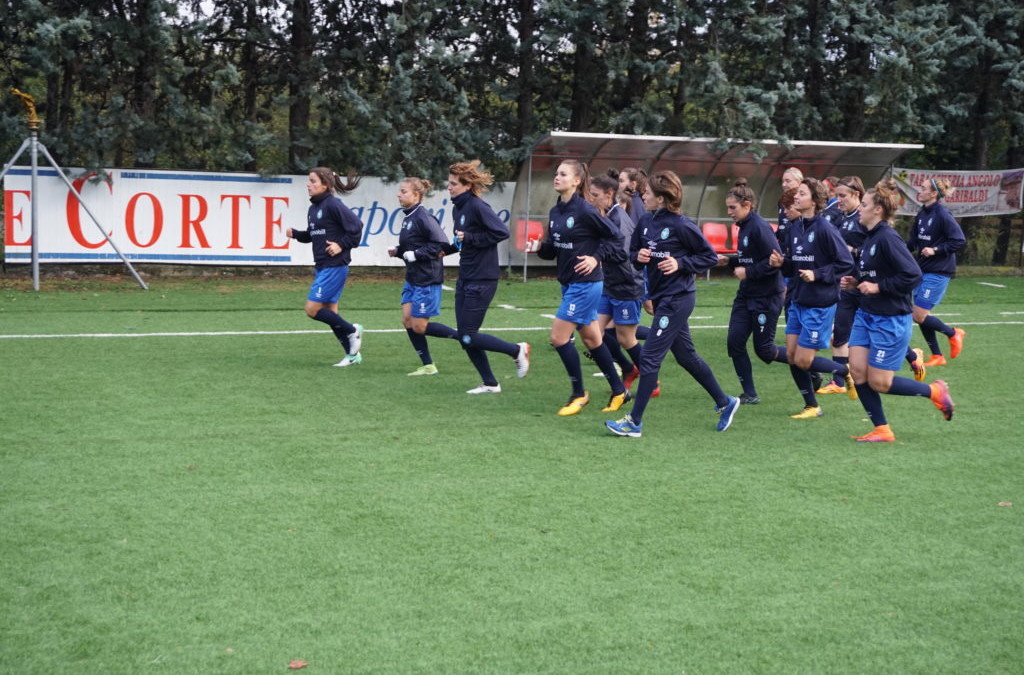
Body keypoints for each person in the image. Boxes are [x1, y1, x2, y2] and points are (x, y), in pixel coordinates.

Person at [606, 170, 740, 437]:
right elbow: (632, 255)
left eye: (648, 193)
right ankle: (726, 402)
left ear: (662, 198)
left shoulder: (681, 225)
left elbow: (709, 257)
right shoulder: (645, 221)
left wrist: (681, 263)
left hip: (678, 299)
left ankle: (634, 422)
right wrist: (639, 256)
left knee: (651, 357)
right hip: (661, 297)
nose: (643, 195)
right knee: (686, 357)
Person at [844, 178, 954, 442]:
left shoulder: (888, 238)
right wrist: (857, 282)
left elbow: (912, 275)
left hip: (890, 320)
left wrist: (879, 287)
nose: (860, 208)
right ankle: (882, 429)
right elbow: (873, 274)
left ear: (878, 210)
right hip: (866, 314)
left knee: (880, 382)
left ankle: (934, 391)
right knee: (857, 371)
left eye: (865, 204)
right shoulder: (870, 237)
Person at [536, 161, 629, 415]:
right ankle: (620, 390)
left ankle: (579, 394)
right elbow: (553, 250)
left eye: (563, 174)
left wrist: (595, 258)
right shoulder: (556, 211)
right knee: (591, 338)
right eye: (556, 173)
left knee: (558, 337)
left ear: (577, 181)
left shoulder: (586, 210)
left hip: (586, 285)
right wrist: (539, 248)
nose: (557, 177)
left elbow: (617, 239)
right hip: (568, 284)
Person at [769, 177, 856, 418]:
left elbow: (845, 263)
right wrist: (781, 264)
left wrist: (817, 274)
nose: (796, 197)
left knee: (804, 360)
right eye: (797, 194)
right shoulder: (796, 227)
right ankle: (812, 405)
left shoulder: (825, 228)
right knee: (792, 357)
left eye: (802, 194)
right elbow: (794, 267)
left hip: (819, 303)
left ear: (815, 201)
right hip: (797, 300)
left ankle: (843, 371)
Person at [441, 160, 530, 394]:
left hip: (483, 278)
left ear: (466, 185)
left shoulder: (477, 206)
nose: (448, 187)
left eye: (453, 184)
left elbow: (500, 232)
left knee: (468, 336)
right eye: (448, 183)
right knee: (465, 337)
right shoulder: (457, 207)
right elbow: (463, 239)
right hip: (466, 275)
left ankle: (516, 350)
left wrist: (470, 238)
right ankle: (490, 383)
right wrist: (444, 250)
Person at [286, 167, 365, 367]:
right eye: (308, 181)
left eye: (313, 181)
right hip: (322, 265)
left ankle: (351, 331)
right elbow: (312, 235)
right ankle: (352, 355)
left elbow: (357, 226)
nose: (308, 184)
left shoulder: (333, 205)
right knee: (331, 314)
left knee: (312, 309)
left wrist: (341, 245)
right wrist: (295, 234)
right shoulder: (314, 209)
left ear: (325, 185)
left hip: (335, 266)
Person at [721, 180, 786, 405]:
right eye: (728, 208)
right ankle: (749, 393)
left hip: (767, 297)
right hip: (746, 295)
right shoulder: (743, 226)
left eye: (733, 208)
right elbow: (749, 258)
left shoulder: (759, 227)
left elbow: (775, 261)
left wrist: (748, 272)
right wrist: (728, 262)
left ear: (747, 204)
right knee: (734, 342)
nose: (729, 212)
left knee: (765, 350)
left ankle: (806, 368)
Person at [388, 177, 458, 375]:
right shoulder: (409, 216)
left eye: (403, 191)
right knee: (407, 320)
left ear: (416, 195)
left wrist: (416, 254)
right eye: (399, 191)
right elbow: (413, 245)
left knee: (419, 326)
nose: (399, 195)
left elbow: (440, 245)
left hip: (427, 279)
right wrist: (399, 250)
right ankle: (428, 365)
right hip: (413, 277)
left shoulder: (423, 217)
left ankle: (465, 337)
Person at [589, 173, 645, 389]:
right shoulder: (606, 216)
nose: (591, 199)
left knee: (626, 339)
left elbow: (622, 254)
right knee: (593, 332)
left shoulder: (618, 219)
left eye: (595, 195)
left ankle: (651, 378)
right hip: (609, 285)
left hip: (626, 285)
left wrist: (596, 257)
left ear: (609, 194)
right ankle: (628, 369)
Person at [908, 177, 967, 366]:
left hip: (939, 271)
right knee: (920, 314)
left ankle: (953, 333)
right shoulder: (922, 213)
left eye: (923, 188)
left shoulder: (942, 214)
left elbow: (959, 240)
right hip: (922, 269)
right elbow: (913, 242)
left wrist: (936, 250)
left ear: (933, 194)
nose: (920, 190)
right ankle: (937, 356)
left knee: (919, 314)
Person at [817, 176, 867, 394]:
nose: (838, 200)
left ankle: (912, 356)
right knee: (841, 332)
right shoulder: (843, 217)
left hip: (866, 287)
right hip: (846, 285)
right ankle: (839, 382)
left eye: (842, 196)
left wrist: (852, 250)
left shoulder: (864, 219)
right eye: (837, 195)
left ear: (856, 195)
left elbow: (878, 249)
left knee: (874, 331)